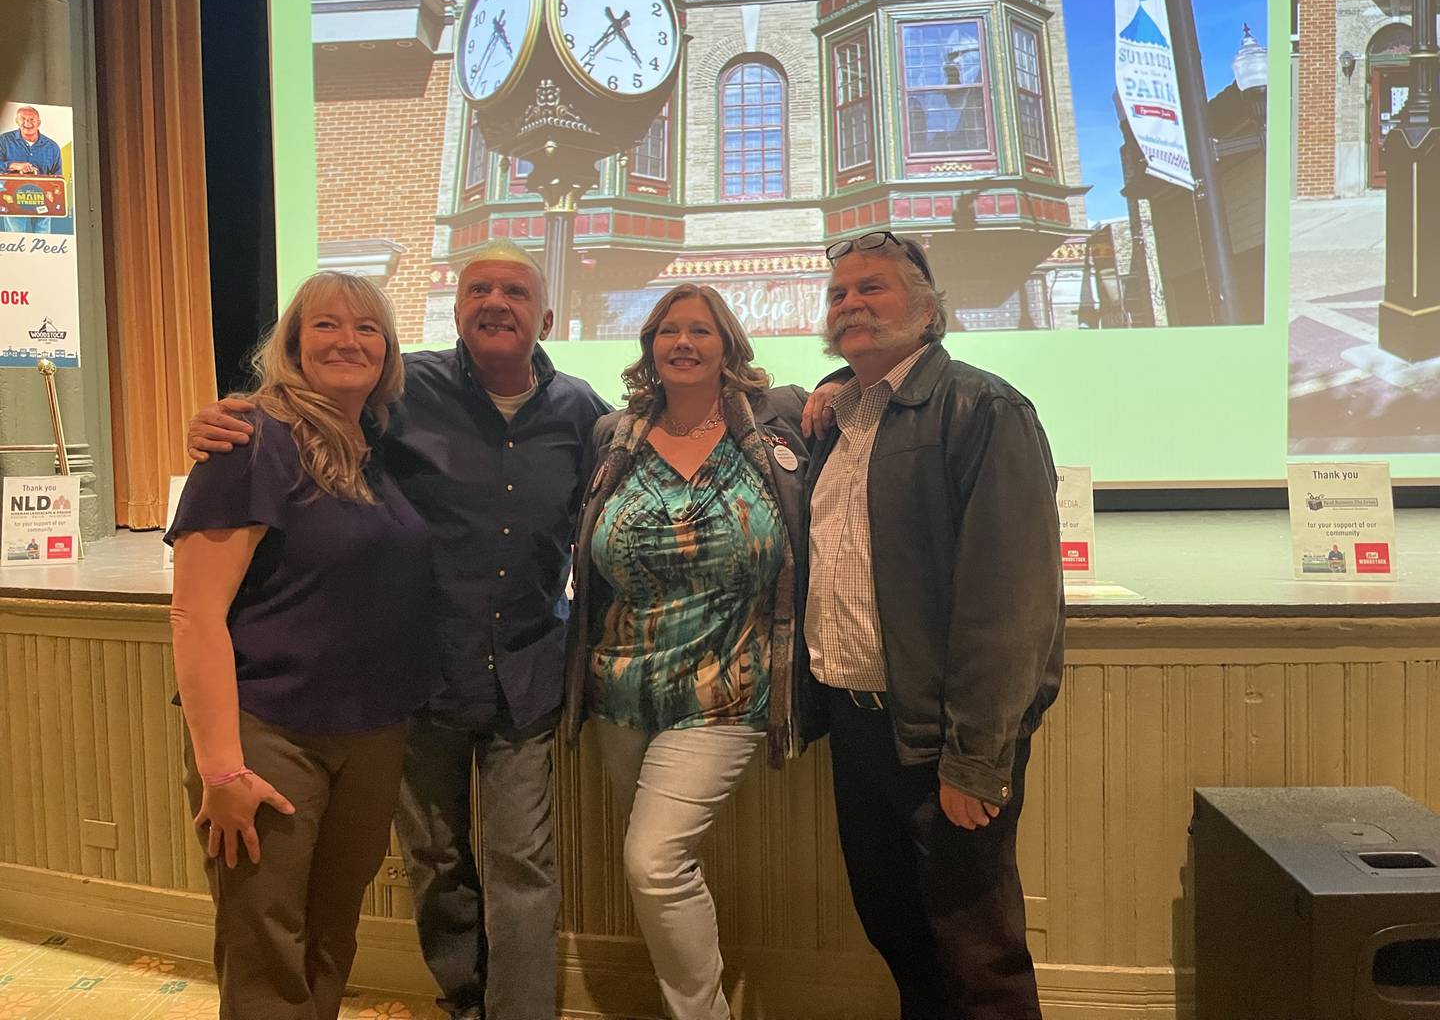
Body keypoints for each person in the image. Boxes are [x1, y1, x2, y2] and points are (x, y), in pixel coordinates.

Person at [187, 240, 610, 1020]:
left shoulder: (584, 411)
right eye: (478, 287)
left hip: (524, 675)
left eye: (515, 291)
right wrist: (221, 419)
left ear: (548, 315)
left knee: (521, 864)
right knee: (435, 859)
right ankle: (464, 1003)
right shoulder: (401, 394)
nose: (495, 302)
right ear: (454, 309)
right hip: (416, 679)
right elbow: (304, 425)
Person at [803, 230, 1064, 1019]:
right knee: (900, 933)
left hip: (939, 738)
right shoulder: (841, 415)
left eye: (872, 288)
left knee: (978, 955)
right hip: (855, 728)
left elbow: (1010, 602)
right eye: (839, 293)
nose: (852, 303)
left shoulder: (984, 408)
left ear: (926, 309)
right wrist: (827, 384)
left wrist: (975, 760)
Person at [167, 271, 438, 1020]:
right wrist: (221, 767)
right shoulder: (248, 442)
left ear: (388, 352)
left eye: (368, 329)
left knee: (329, 940)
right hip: (269, 735)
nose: (348, 341)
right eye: (325, 325)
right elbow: (194, 616)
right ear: (291, 344)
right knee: (267, 952)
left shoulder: (375, 447)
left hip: (371, 737)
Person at [562, 283, 814, 1020]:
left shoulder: (778, 425)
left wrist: (831, 387)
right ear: (650, 350)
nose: (683, 342)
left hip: (727, 686)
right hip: (621, 688)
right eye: (668, 330)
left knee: (654, 861)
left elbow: (850, 394)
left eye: (700, 330)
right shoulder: (614, 435)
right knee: (660, 864)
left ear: (728, 346)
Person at [0, 105, 64, 234]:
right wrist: (13, 165)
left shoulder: (52, 147)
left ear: (39, 122)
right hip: (12, 199)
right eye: (23, 119)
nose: (27, 123)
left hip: (43, 201)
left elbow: (58, 177)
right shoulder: (4, 141)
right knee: (16, 240)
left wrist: (53, 192)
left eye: (32, 119)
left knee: (43, 239)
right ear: (16, 121)